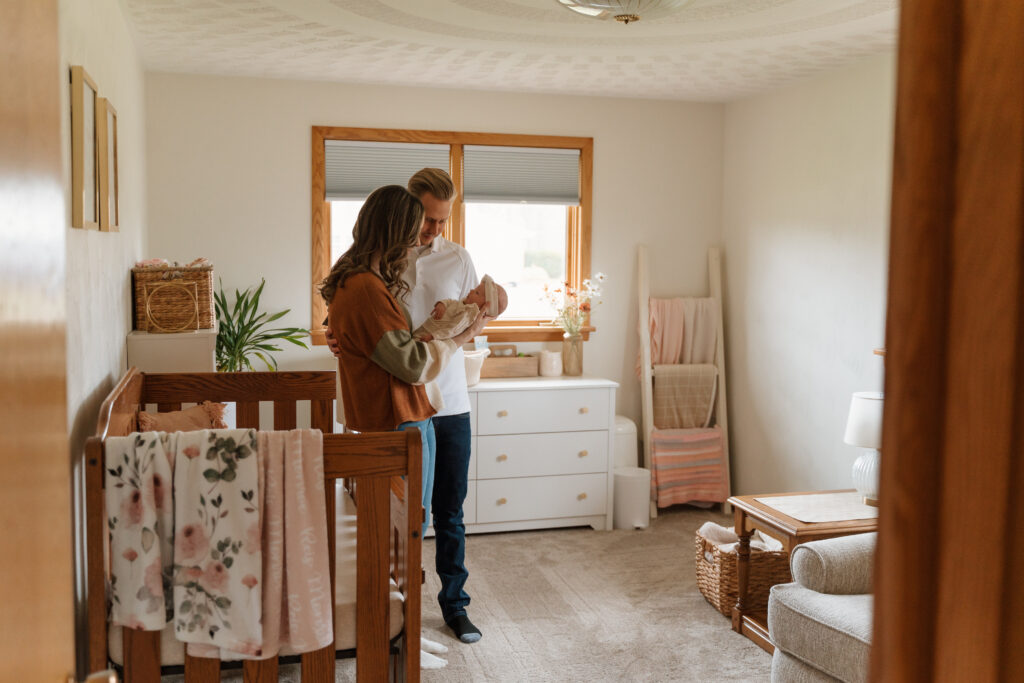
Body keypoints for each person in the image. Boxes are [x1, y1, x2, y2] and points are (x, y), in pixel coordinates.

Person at [320, 185, 489, 662]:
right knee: (405, 527)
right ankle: (399, 626)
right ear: (403, 222)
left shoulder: (451, 260)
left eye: (438, 222)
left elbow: (403, 341)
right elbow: (401, 355)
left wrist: (460, 320)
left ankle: (447, 608)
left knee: (439, 514)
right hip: (405, 406)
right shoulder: (370, 282)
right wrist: (456, 335)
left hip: (440, 401)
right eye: (423, 222)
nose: (429, 232)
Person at [413, 274, 508, 342]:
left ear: (485, 306)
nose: (471, 290)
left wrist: (433, 336)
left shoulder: (468, 314)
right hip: (426, 327)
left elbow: (453, 329)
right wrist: (442, 304)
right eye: (475, 289)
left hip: (430, 335)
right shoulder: (464, 304)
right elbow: (452, 302)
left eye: (477, 292)